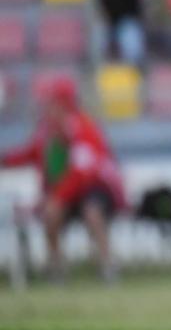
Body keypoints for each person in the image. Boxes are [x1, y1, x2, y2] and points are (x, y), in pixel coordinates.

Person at [0, 77, 126, 282]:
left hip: (95, 188)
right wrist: (5, 160)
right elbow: (31, 153)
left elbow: (83, 172)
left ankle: (107, 264)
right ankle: (56, 266)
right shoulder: (46, 131)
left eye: (49, 102)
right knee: (52, 214)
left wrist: (57, 197)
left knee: (92, 212)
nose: (44, 107)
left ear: (63, 103)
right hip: (68, 190)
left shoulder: (84, 128)